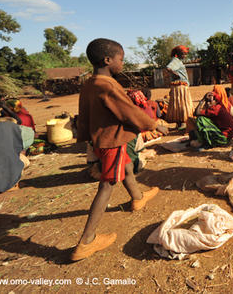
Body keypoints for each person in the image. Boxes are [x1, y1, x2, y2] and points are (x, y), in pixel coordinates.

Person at [73, 38, 166, 261]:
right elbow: (128, 111)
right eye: (121, 59)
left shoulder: (89, 83)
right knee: (107, 185)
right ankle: (86, 241)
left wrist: (86, 138)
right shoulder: (108, 85)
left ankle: (137, 197)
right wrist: (154, 125)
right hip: (111, 141)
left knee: (125, 166)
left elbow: (83, 116)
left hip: (103, 139)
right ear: (107, 60)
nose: (122, 64)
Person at [0, 103, 34, 195]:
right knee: (22, 158)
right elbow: (30, 136)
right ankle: (14, 183)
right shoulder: (8, 126)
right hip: (8, 182)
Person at [166, 45, 193, 130]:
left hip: (179, 86)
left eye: (185, 54)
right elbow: (168, 68)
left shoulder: (178, 61)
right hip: (180, 86)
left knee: (178, 104)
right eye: (183, 54)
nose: (184, 56)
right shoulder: (176, 60)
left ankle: (179, 124)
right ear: (178, 54)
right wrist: (175, 74)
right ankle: (182, 123)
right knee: (181, 104)